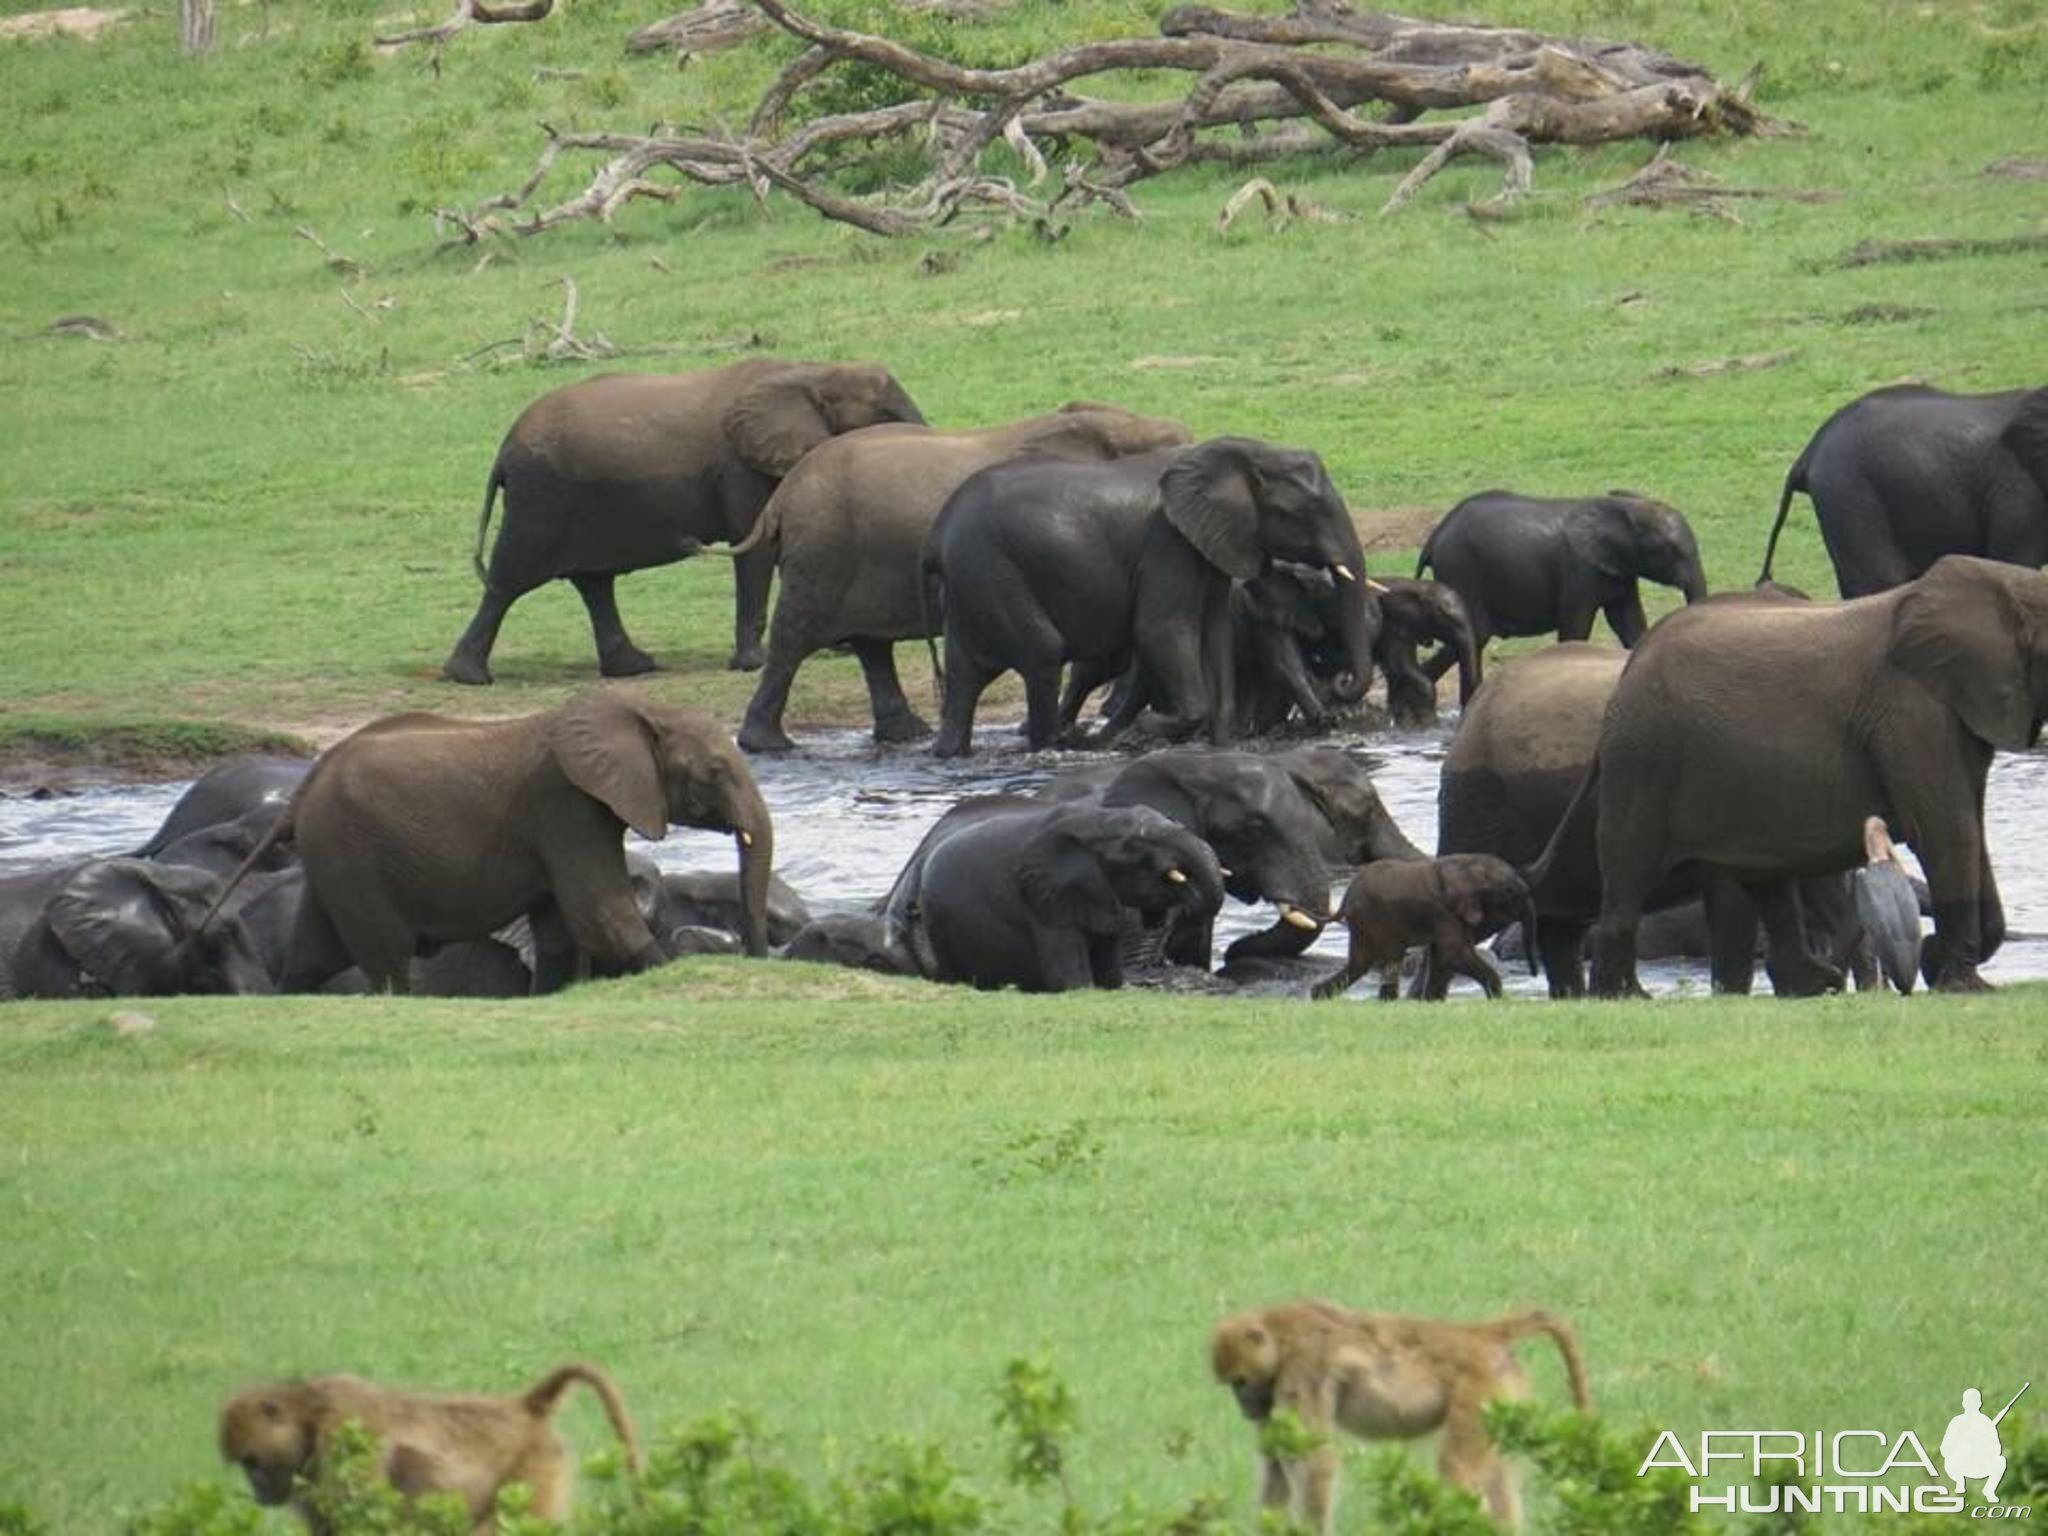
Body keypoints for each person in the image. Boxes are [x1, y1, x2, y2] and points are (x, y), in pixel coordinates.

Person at [1940, 1389, 2006, 1502]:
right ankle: (1959, 1482)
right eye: (1968, 1402)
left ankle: (1989, 1490)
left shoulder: (1986, 1422)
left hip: (1980, 1465)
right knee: (1955, 1457)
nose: (1971, 1405)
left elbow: (1997, 1448)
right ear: (1963, 1404)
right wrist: (1962, 1445)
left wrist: (1983, 1444)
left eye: (1974, 1402)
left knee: (2001, 1461)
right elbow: (1944, 1449)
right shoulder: (1957, 1422)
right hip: (1959, 1465)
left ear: (1979, 1404)